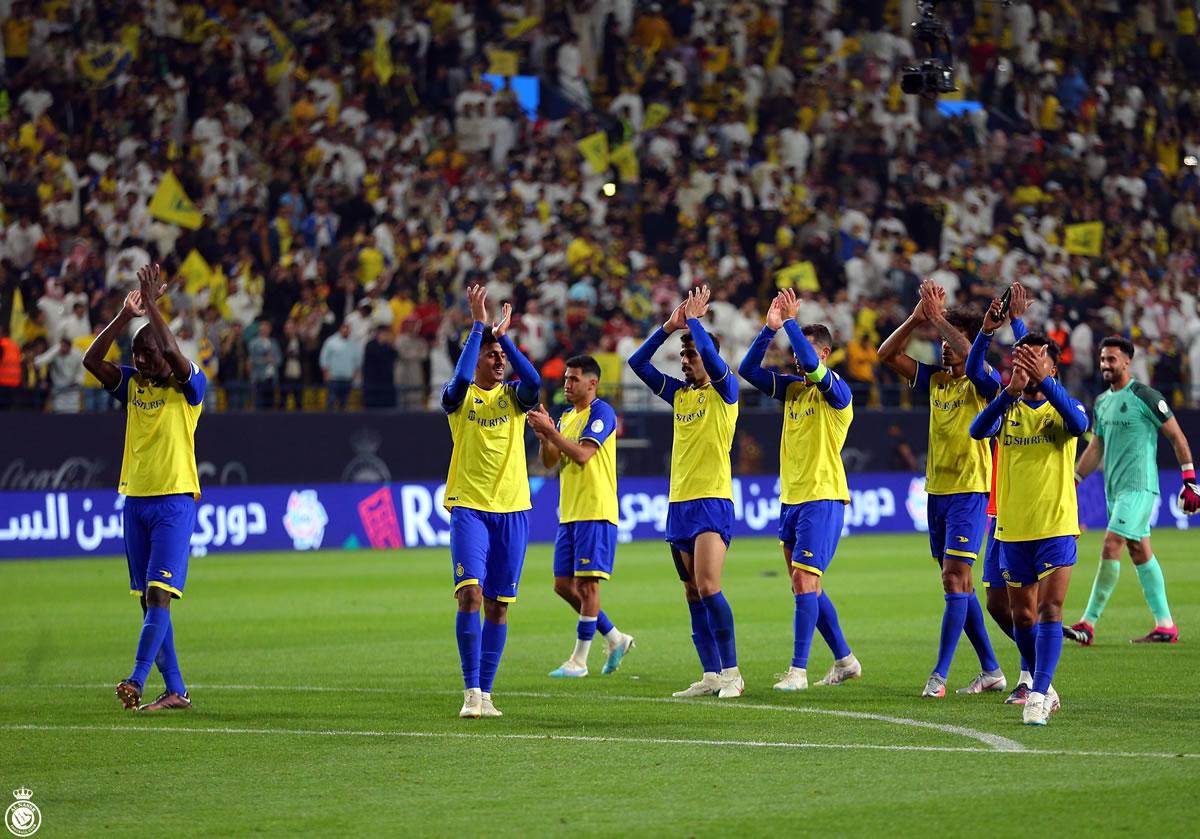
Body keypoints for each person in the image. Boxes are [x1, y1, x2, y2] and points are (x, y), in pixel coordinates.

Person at [83, 264, 205, 713]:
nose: (141, 360)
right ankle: (176, 691)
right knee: (148, 602)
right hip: (134, 501)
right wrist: (124, 317)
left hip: (174, 499)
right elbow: (91, 362)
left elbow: (173, 352)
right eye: (137, 354)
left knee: (158, 595)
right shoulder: (132, 386)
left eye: (147, 354)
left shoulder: (190, 388)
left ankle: (135, 679)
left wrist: (153, 307)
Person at [877, 281, 1005, 699]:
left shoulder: (983, 381)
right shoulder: (934, 381)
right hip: (937, 493)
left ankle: (940, 675)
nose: (944, 347)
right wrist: (917, 318)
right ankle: (991, 670)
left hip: (970, 491)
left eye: (952, 340)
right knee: (958, 585)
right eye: (943, 340)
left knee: (955, 581)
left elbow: (971, 357)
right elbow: (887, 356)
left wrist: (941, 321)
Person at [738, 289, 861, 692]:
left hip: (822, 496)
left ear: (824, 354)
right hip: (791, 498)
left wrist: (790, 323)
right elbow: (747, 370)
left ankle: (798, 670)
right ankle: (845, 659)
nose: (795, 357)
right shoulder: (793, 389)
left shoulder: (837, 391)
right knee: (804, 583)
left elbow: (807, 361)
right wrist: (769, 329)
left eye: (804, 350)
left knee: (806, 582)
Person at [628, 285, 744, 699]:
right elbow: (636, 362)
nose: (685, 359)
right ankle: (711, 674)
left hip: (712, 500)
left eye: (691, 353)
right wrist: (669, 327)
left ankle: (732, 673)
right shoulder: (679, 395)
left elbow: (713, 361)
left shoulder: (725, 392)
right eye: (683, 354)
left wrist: (696, 323)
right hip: (679, 503)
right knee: (692, 591)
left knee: (710, 586)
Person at [969, 334, 1088, 725]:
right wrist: (1008, 393)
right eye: (1023, 359)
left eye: (1038, 360)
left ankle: (1038, 693)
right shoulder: (1007, 408)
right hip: (1013, 529)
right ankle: (1044, 684)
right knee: (1022, 618)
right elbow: (976, 431)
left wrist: (1046, 385)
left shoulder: (1064, 409)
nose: (1029, 366)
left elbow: (1079, 424)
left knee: (1051, 609)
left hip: (1055, 525)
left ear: (1052, 368)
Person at [443, 284, 541, 719]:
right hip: (470, 507)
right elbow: (461, 379)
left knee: (499, 606)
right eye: (492, 355)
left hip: (514, 509)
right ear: (476, 357)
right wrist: (479, 326)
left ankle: (487, 692)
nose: (499, 361)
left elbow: (534, 382)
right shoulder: (461, 397)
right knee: (471, 596)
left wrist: (504, 339)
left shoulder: (514, 399)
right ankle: (469, 692)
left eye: (501, 357)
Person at [1065, 336, 1200, 645]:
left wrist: (1190, 480)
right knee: (1140, 552)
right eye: (1102, 359)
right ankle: (1165, 625)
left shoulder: (1145, 396)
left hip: (1139, 488)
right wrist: (1074, 479)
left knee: (1111, 545)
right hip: (1114, 491)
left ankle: (1088, 623)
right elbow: (1096, 447)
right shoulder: (1101, 402)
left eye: (1112, 359)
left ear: (1127, 362)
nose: (1105, 365)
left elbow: (1177, 437)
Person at [527, 355, 635, 678]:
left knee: (587, 587)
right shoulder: (565, 418)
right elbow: (550, 461)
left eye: (573, 379)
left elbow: (584, 454)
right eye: (565, 379)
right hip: (571, 512)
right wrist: (546, 436)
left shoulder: (601, 412)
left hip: (595, 508)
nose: (567, 384)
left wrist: (553, 434)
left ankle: (579, 660)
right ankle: (616, 638)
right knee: (563, 585)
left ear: (592, 383)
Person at [966, 288, 1035, 704]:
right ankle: (1037, 659)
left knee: (1029, 606)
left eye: (1028, 358)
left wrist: (1018, 324)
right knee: (996, 603)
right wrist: (987, 332)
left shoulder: (1052, 403)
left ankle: (1033, 675)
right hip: (998, 512)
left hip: (1035, 515)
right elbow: (976, 369)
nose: (1020, 366)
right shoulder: (1003, 396)